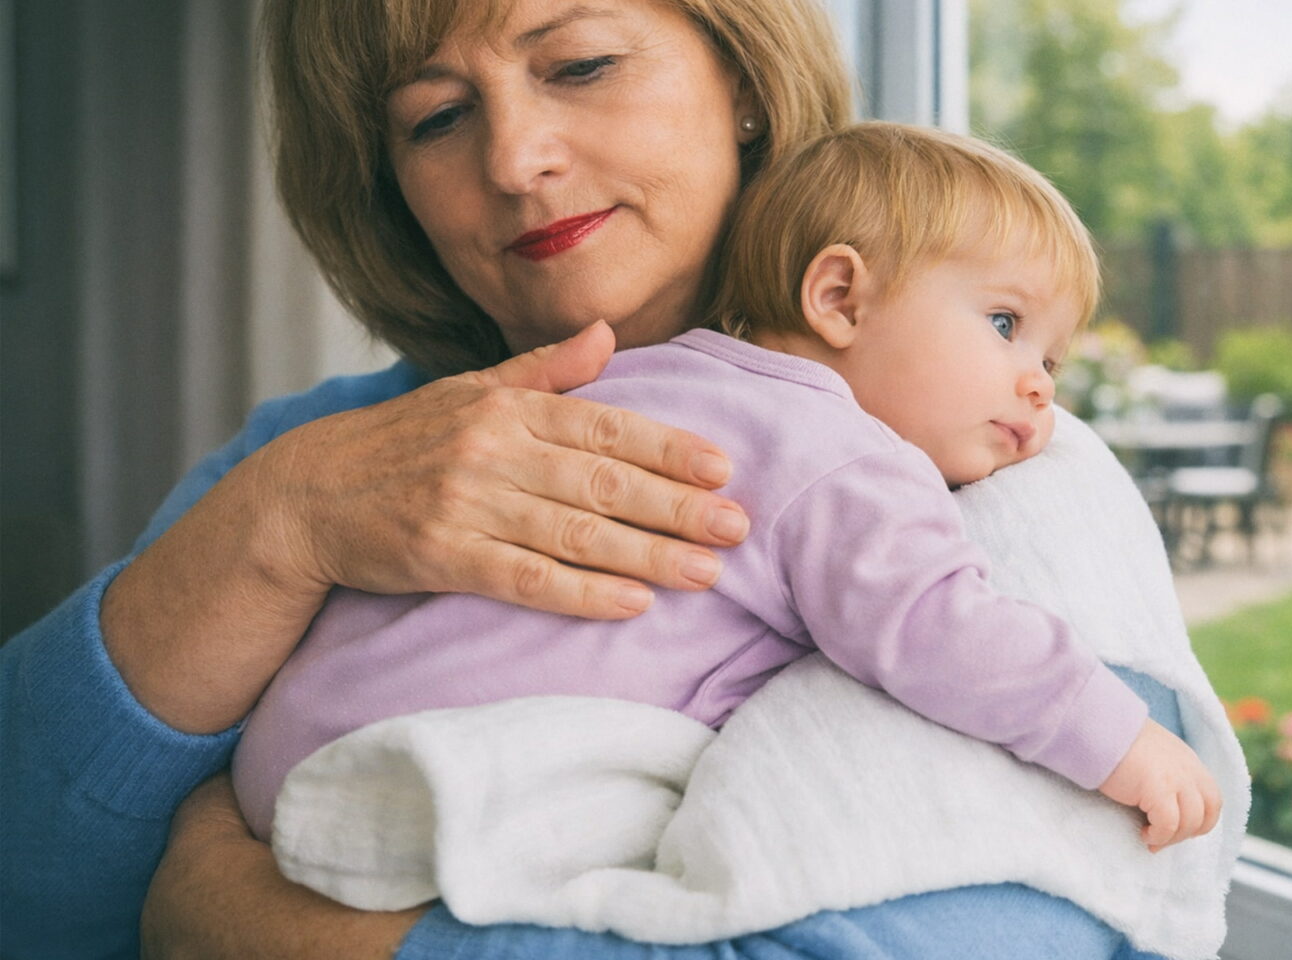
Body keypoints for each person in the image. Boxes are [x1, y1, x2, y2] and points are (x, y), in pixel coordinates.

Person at [0, 1, 1213, 958]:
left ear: (741, 76)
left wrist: (238, 919)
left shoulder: (997, 473)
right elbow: (27, 901)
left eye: (577, 63)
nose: (518, 160)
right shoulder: (316, 448)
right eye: (432, 118)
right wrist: (277, 528)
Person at [232, 125, 1223, 887]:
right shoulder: (841, 456)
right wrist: (1116, 737)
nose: (1039, 385)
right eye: (1005, 325)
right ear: (837, 297)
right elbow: (936, 627)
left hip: (295, 737)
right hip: (441, 775)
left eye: (1050, 358)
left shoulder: (649, 375)